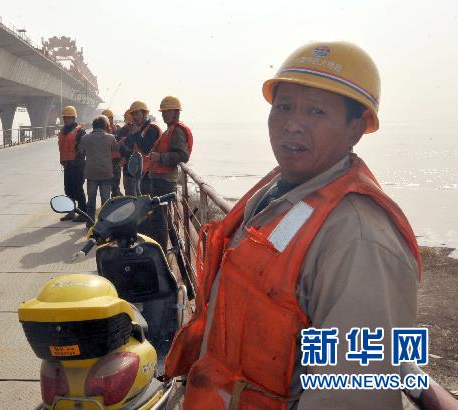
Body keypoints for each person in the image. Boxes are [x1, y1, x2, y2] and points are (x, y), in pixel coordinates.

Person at [165, 42, 422, 410]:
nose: (292, 124)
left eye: (316, 111)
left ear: (356, 129)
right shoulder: (280, 189)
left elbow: (350, 394)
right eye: (283, 107)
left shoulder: (359, 240)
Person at [146, 96, 193, 250]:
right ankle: (172, 246)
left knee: (160, 219)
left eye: (168, 111)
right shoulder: (170, 129)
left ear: (176, 112)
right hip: (160, 180)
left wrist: (160, 157)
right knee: (161, 217)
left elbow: (182, 155)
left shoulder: (177, 131)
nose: (164, 114)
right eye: (163, 112)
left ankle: (161, 252)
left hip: (164, 181)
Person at [78, 115, 119, 228]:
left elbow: (81, 151)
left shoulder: (85, 138)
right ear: (105, 126)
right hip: (106, 173)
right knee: (105, 200)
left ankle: (90, 222)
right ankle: (104, 223)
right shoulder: (110, 137)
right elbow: (116, 149)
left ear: (93, 125)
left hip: (91, 173)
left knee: (91, 200)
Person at [58, 105, 87, 222]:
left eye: (69, 117)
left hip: (77, 165)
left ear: (74, 118)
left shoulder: (80, 131)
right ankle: (71, 212)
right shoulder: (62, 131)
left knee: (78, 189)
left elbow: (82, 150)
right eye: (65, 117)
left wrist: (76, 162)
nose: (66, 120)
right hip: (67, 165)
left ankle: (83, 212)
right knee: (68, 189)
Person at [126, 100, 162, 195]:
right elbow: (130, 147)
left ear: (145, 113)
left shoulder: (152, 129)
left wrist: (136, 134)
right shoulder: (140, 129)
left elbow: (146, 149)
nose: (134, 117)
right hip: (140, 172)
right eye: (133, 114)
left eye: (137, 113)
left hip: (150, 174)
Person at [102, 108, 123, 197]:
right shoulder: (100, 132)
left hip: (115, 161)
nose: (108, 121)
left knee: (115, 185)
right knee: (107, 185)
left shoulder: (118, 130)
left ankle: (116, 198)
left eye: (109, 118)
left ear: (112, 119)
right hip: (105, 162)